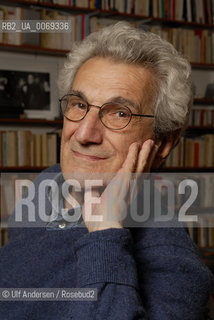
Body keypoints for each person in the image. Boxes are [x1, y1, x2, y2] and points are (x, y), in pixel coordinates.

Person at [0, 22, 213, 320]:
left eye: (119, 113)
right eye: (79, 104)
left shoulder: (175, 269)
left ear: (163, 143)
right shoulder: (50, 180)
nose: (85, 133)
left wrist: (105, 233)